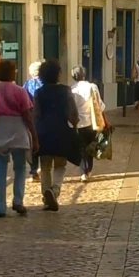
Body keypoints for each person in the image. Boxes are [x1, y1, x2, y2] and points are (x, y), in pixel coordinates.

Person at [0, 60, 39, 217]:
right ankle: (18, 200)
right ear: (12, 73)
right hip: (17, 130)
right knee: (20, 167)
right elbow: (27, 116)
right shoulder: (20, 91)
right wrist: (34, 137)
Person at [34, 60, 80, 212]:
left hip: (44, 133)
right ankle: (54, 191)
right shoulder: (66, 90)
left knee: (45, 166)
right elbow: (72, 112)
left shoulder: (39, 93)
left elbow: (36, 115)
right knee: (60, 165)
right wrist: (74, 123)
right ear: (57, 74)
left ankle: (46, 196)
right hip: (61, 132)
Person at [71, 66, 109, 183]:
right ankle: (88, 170)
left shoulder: (71, 90)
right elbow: (99, 105)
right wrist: (105, 121)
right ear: (84, 74)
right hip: (92, 122)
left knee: (81, 148)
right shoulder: (92, 87)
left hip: (78, 123)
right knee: (90, 146)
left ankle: (84, 171)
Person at [23, 60, 44, 181]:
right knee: (44, 143)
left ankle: (33, 170)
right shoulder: (46, 84)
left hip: (31, 118)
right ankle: (44, 167)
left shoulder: (27, 84)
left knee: (33, 145)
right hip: (44, 119)